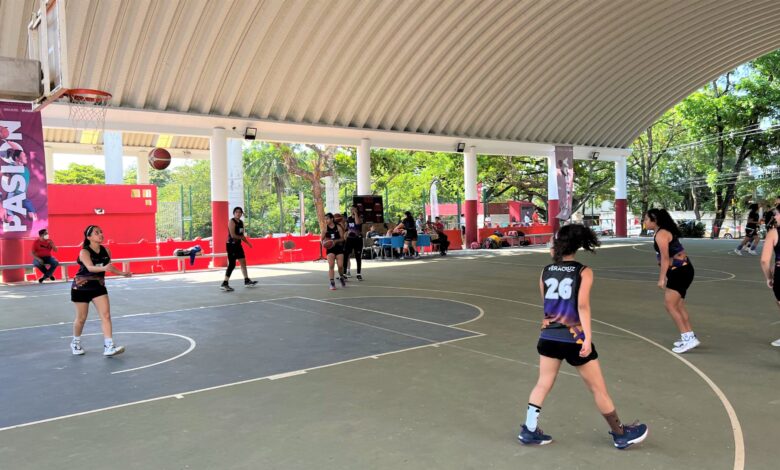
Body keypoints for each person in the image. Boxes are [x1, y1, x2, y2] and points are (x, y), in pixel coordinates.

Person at [519, 224, 647, 449]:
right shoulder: (583, 271)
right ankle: (620, 434)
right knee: (598, 389)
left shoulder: (545, 271)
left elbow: (546, 302)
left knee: (543, 383)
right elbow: (583, 306)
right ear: (579, 245)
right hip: (574, 337)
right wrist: (587, 338)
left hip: (549, 336)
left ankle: (529, 430)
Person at [643, 209, 699, 353]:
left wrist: (662, 278)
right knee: (678, 305)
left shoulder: (661, 234)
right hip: (683, 270)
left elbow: (665, 258)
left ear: (654, 220)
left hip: (680, 272)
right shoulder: (661, 232)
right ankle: (689, 335)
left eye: (646, 219)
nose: (644, 222)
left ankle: (688, 339)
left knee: (670, 305)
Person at [70, 225, 132, 357]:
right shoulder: (84, 252)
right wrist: (104, 268)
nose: (101, 234)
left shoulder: (106, 251)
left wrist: (122, 273)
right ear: (89, 237)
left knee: (106, 315)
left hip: (98, 287)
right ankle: (75, 342)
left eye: (101, 232)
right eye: (97, 233)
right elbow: (90, 268)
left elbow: (109, 267)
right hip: (81, 287)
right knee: (81, 319)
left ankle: (109, 346)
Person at [221, 207, 258, 292]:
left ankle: (246, 280)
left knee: (243, 262)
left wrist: (248, 243)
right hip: (231, 245)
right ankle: (224, 283)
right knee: (232, 264)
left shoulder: (241, 222)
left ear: (241, 214)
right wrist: (241, 237)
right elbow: (233, 235)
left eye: (240, 212)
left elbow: (242, 235)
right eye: (236, 212)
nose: (238, 213)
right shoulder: (231, 221)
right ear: (234, 213)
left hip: (238, 245)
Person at [759, 204, 780, 347]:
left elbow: (764, 260)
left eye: (777, 214)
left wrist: (769, 277)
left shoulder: (774, 232)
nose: (775, 217)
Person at [322, 213, 347, 290]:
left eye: (327, 219)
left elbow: (343, 238)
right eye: (325, 219)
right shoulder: (325, 229)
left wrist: (335, 241)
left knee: (340, 266)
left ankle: (341, 277)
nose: (326, 220)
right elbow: (322, 240)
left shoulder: (338, 227)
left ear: (332, 219)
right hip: (330, 249)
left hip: (339, 248)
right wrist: (325, 243)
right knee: (331, 265)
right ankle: (332, 283)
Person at [344, 205, 364, 281]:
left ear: (357, 210)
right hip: (350, 239)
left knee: (358, 256)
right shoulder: (348, 219)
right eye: (351, 209)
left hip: (358, 240)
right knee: (346, 256)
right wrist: (345, 235)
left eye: (354, 209)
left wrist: (355, 214)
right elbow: (346, 228)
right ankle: (345, 273)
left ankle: (358, 274)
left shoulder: (360, 217)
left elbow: (358, 223)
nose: (352, 210)